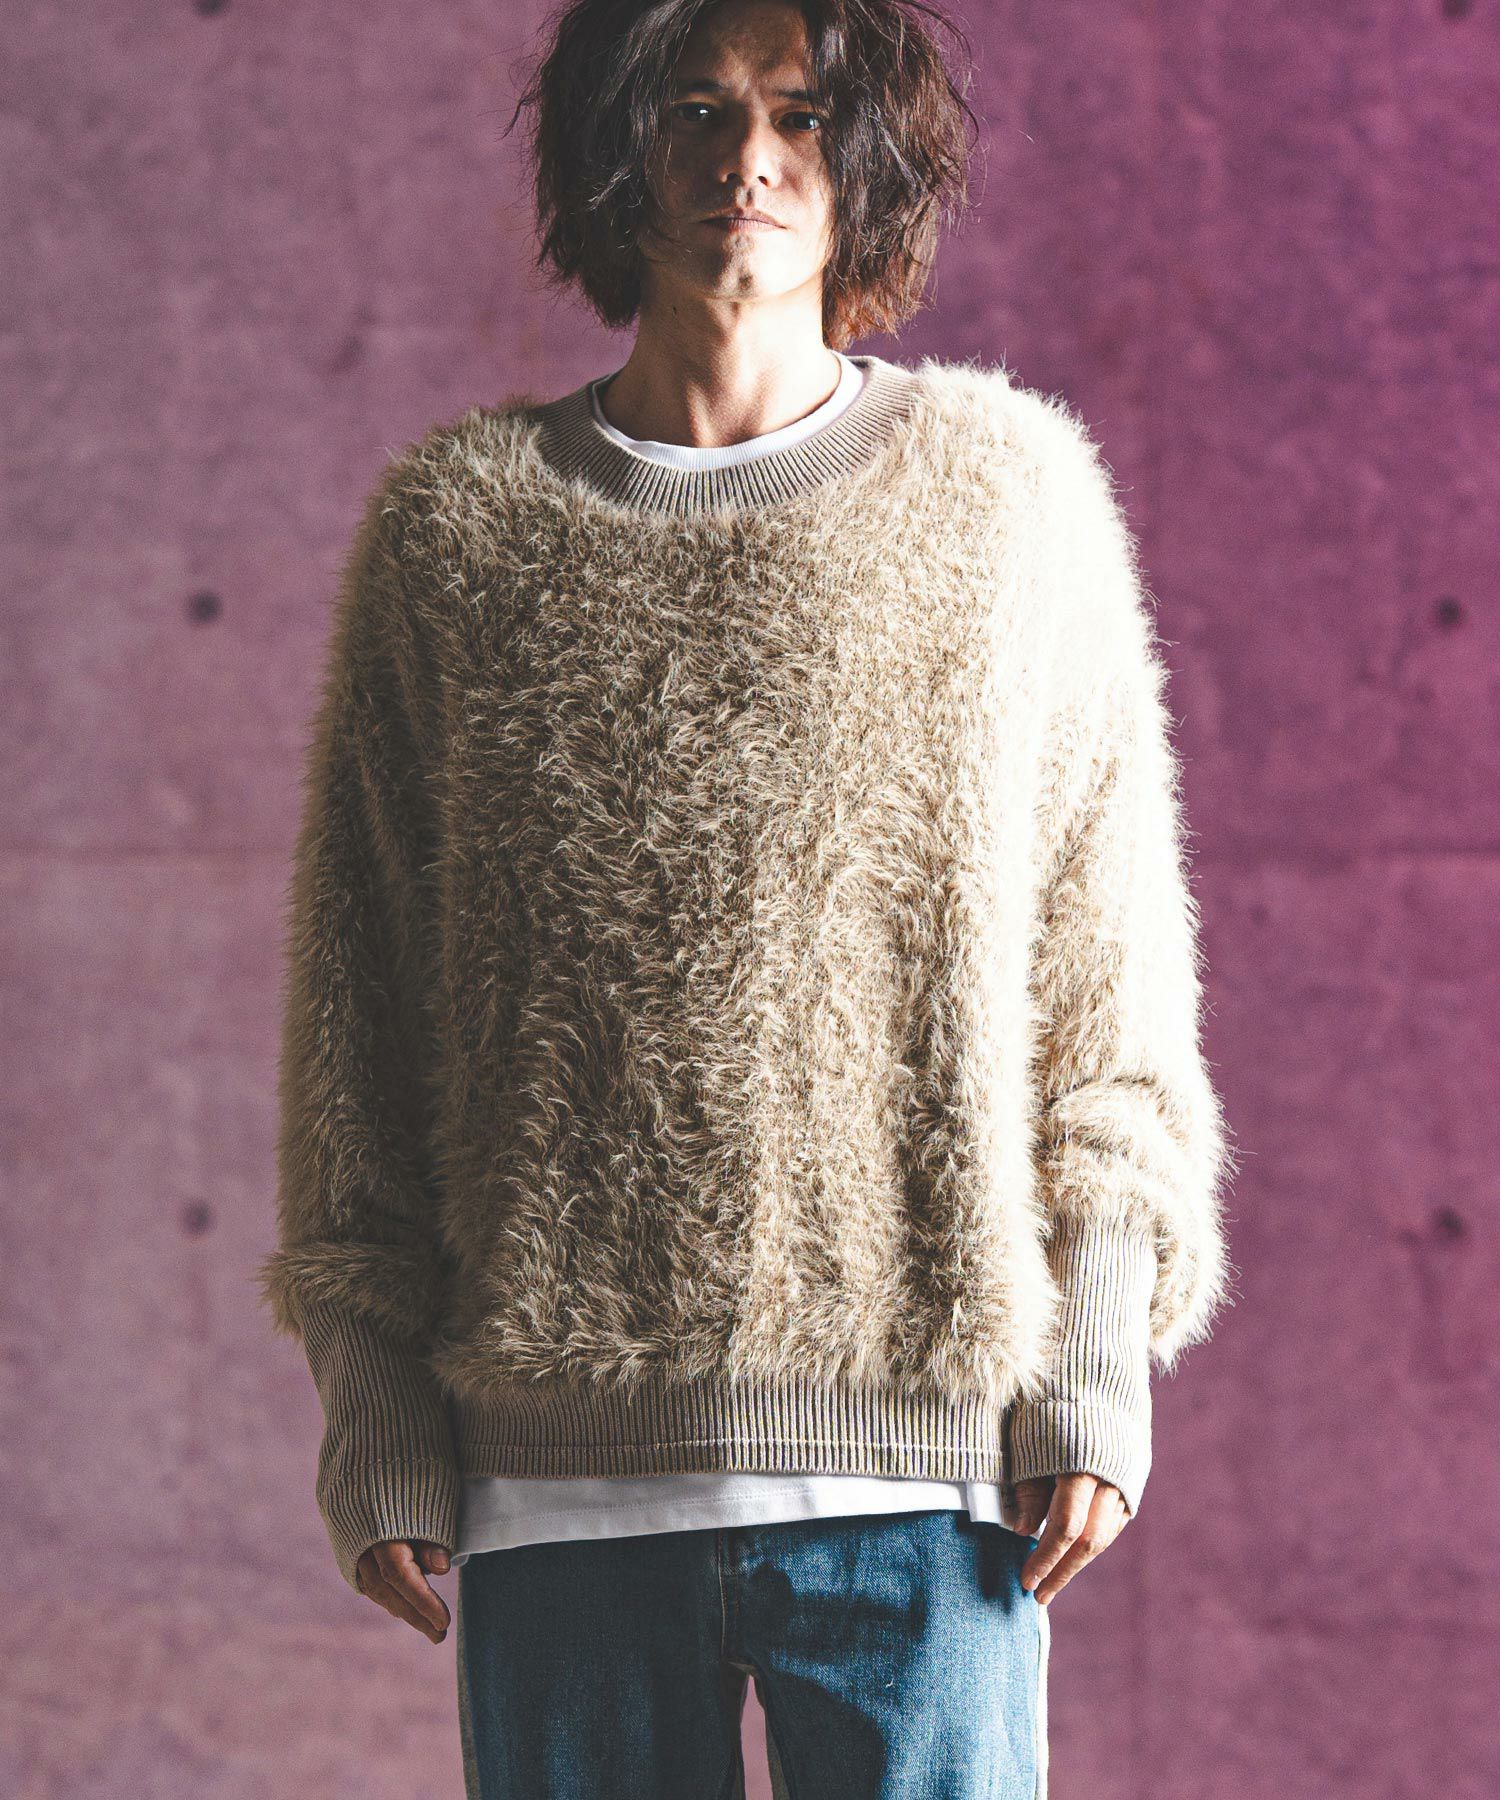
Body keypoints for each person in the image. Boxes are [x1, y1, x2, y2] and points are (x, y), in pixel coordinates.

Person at [257, 0, 1238, 1794]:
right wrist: (374, 1397)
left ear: (866, 166)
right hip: (559, 1490)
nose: (751, 160)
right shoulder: (456, 539)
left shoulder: (1007, 504)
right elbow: (359, 1011)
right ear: (616, 150)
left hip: (925, 1487)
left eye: (799, 114)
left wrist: (1098, 1362)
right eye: (698, 109)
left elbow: (1107, 984)